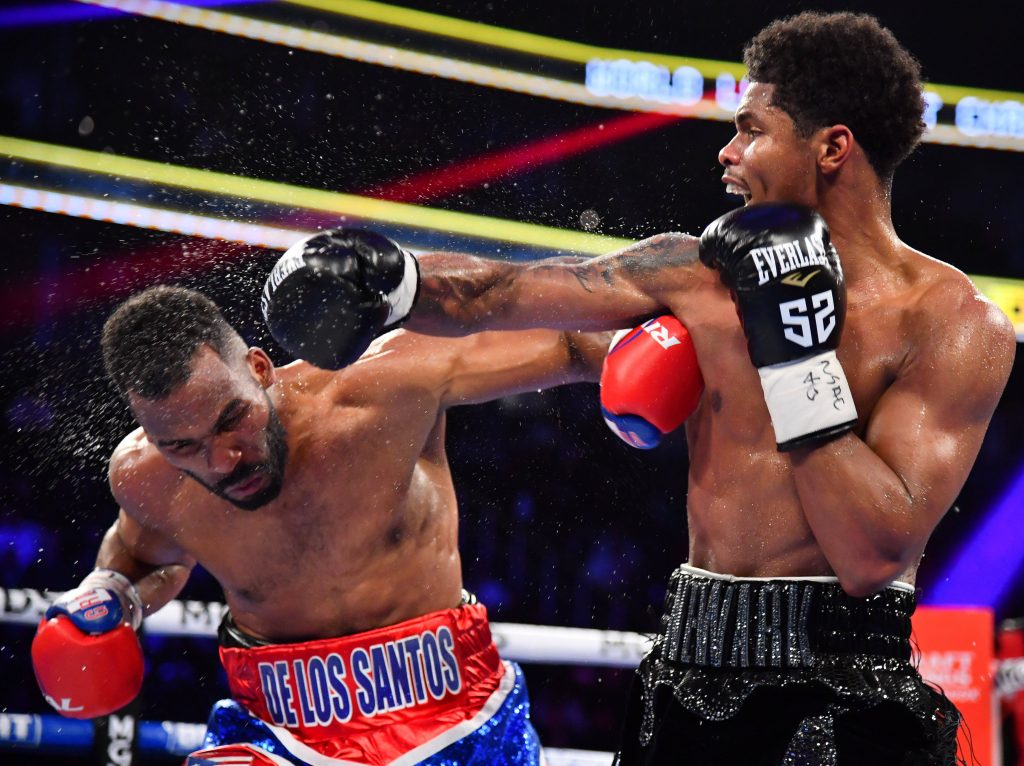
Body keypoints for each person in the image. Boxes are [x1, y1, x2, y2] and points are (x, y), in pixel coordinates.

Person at [257, 12, 1017, 765]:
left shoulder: (951, 322)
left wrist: (792, 355)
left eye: (751, 129)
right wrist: (396, 280)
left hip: (846, 690)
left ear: (832, 147)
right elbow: (506, 291)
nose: (727, 151)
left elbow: (871, 554)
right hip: (687, 673)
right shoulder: (692, 271)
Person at [30, 280, 628, 765]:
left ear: (259, 368)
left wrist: (660, 363)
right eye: (181, 445)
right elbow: (142, 558)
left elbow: (574, 339)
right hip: (277, 731)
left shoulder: (386, 387)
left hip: (451, 713)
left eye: (230, 419)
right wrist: (111, 593)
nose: (220, 460)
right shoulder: (145, 476)